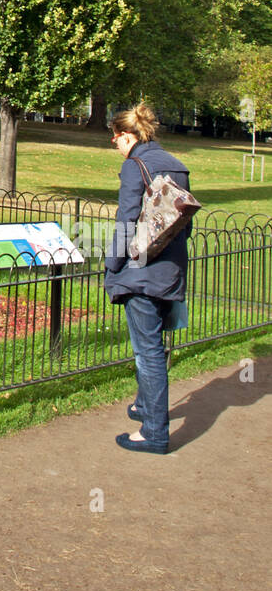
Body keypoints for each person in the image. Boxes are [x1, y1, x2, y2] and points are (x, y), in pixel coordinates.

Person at [104, 103, 192, 454]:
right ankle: (144, 405)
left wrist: (112, 264)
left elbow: (126, 219)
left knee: (148, 352)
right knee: (155, 344)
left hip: (141, 270)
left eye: (116, 140)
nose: (116, 146)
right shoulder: (175, 164)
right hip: (170, 266)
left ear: (127, 135)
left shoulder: (134, 166)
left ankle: (154, 432)